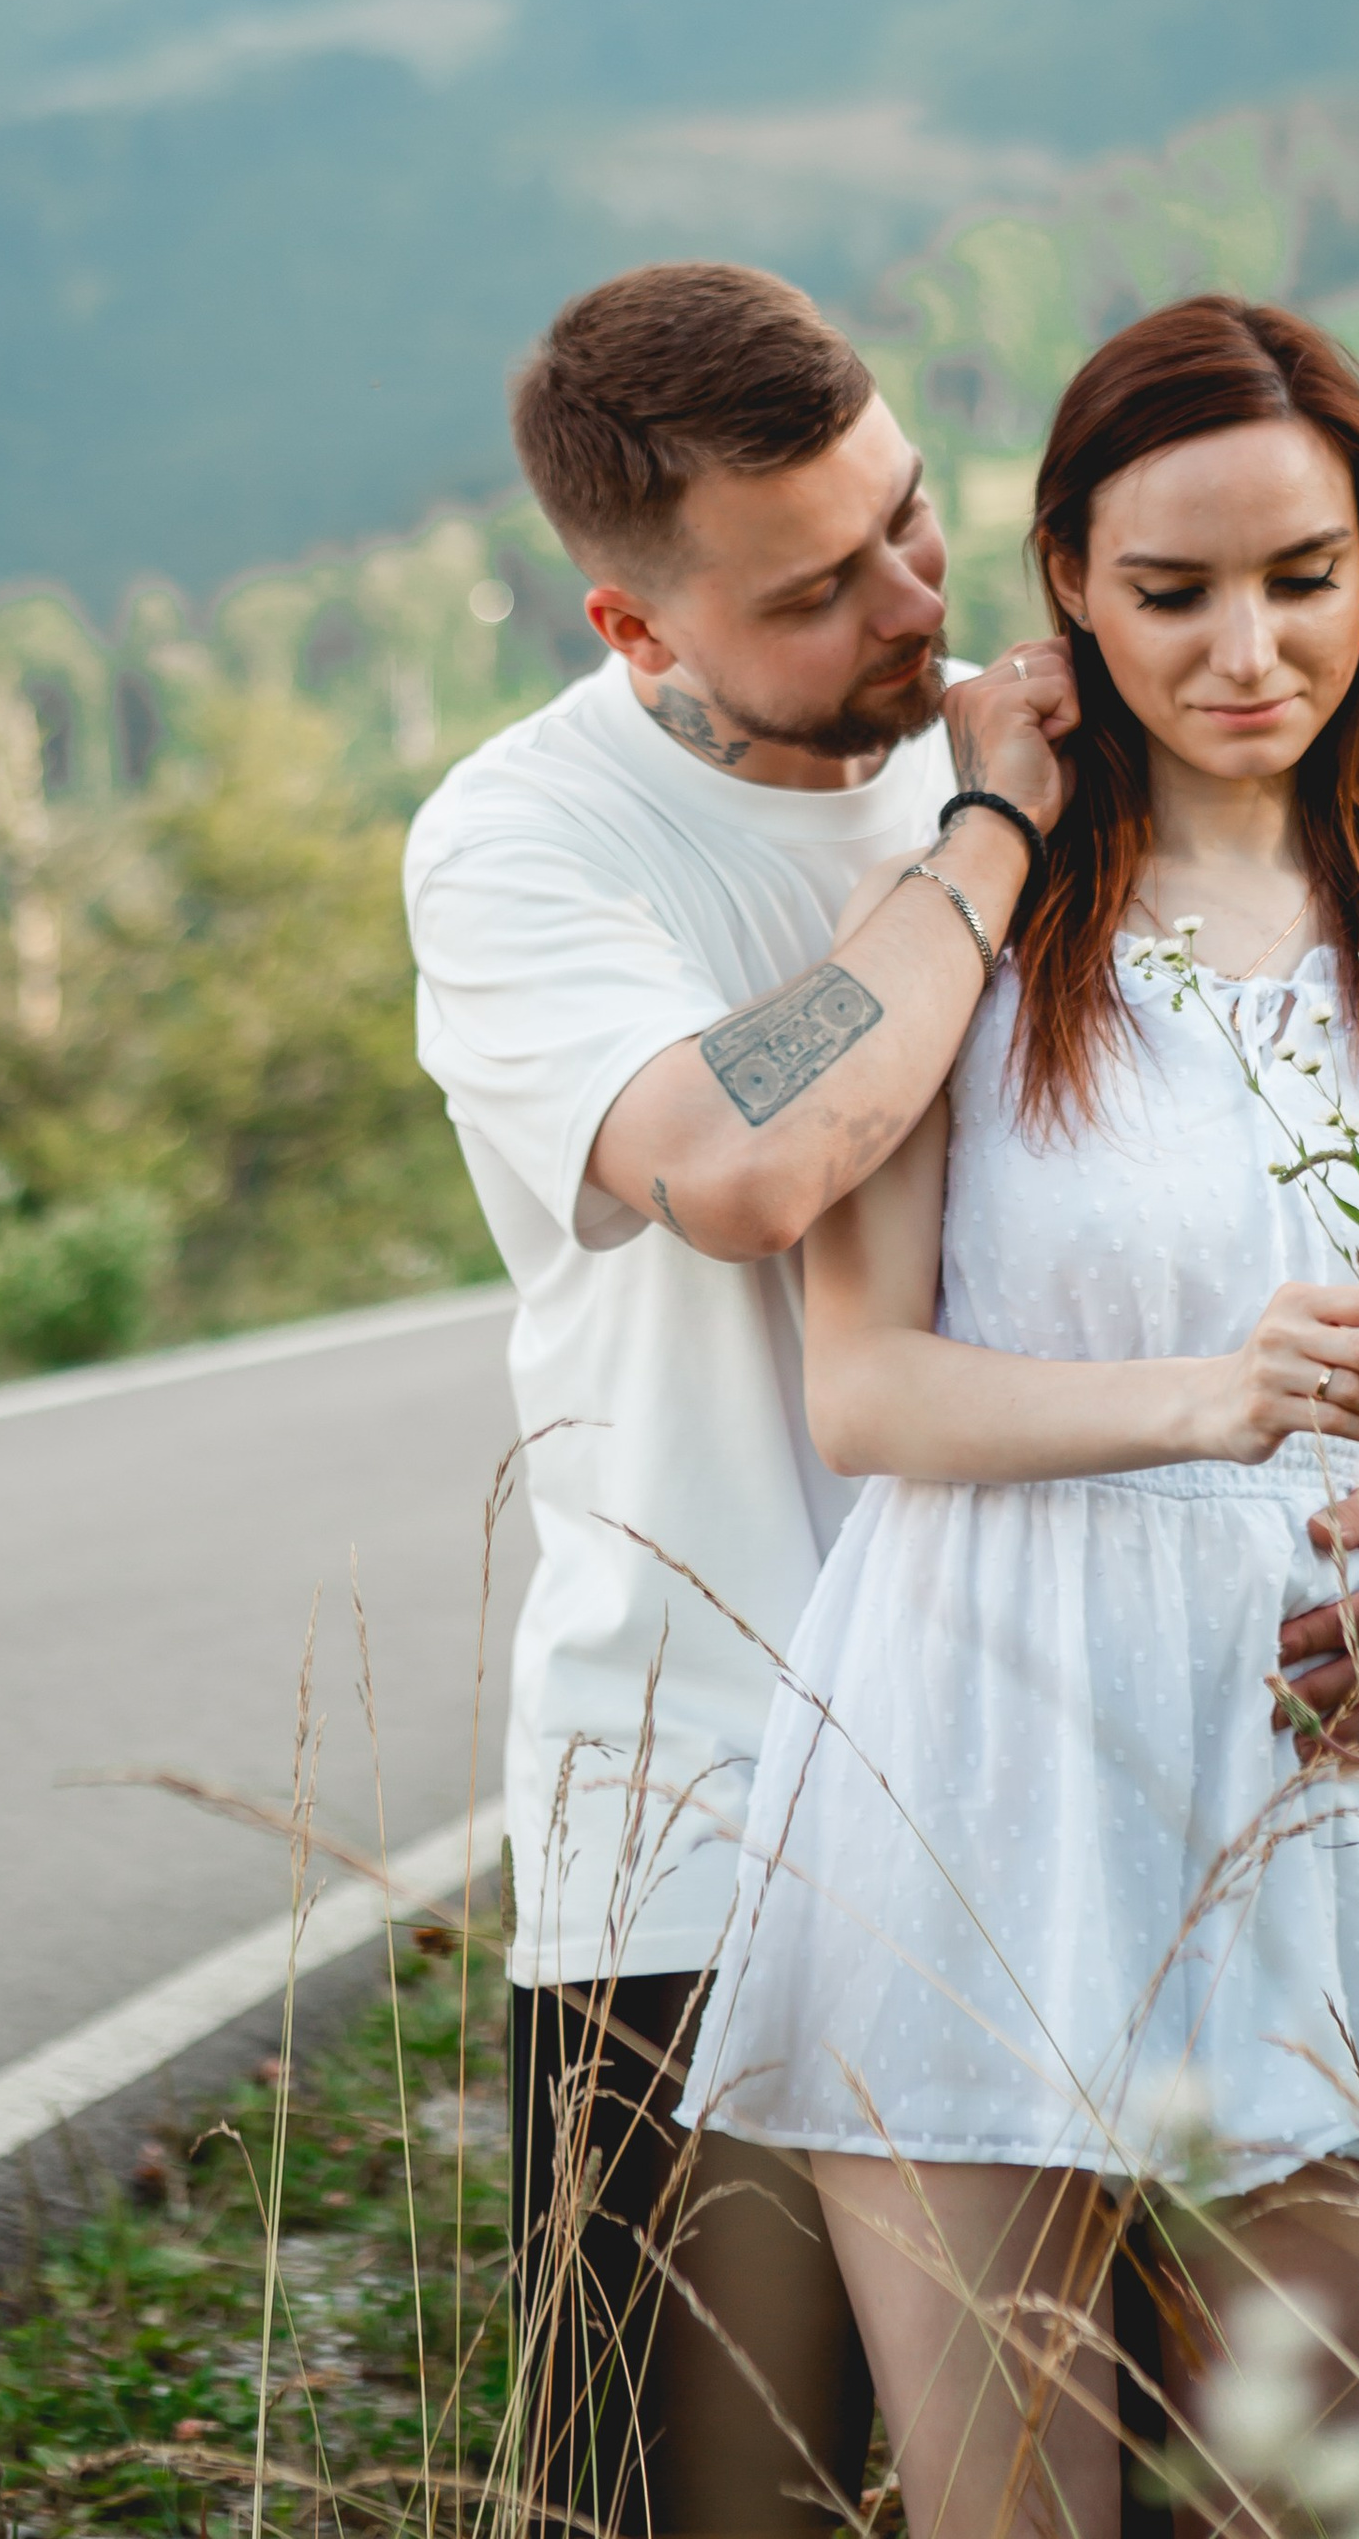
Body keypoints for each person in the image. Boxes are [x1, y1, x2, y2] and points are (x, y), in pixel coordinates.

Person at [678, 294, 1359, 2537]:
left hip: (1312, 1767)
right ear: (1070, 587)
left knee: (1300, 2495)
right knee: (1009, 2502)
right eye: (1171, 589)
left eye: (1303, 578)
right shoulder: (966, 926)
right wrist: (1218, 1397)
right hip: (975, 1762)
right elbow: (867, 1389)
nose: (1244, 649)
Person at [404, 261, 1080, 2533]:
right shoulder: (525, 844)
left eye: (911, 515)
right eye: (814, 591)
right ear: (636, 628)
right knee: (695, 2503)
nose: (913, 603)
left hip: (1057, 1769)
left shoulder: (1043, 743)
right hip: (699, 1813)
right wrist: (982, 844)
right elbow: (731, 1157)